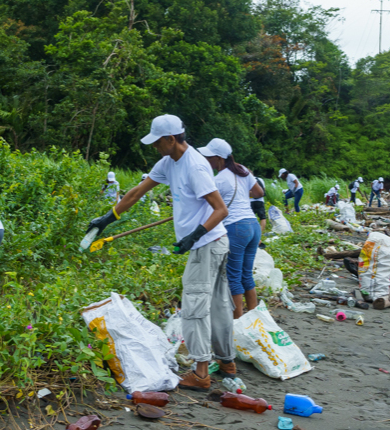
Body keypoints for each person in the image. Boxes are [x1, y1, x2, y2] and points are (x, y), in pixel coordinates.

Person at [87, 115, 234, 391]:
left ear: (171, 139)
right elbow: (137, 191)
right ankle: (227, 362)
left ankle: (202, 373)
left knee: (194, 306)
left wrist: (195, 235)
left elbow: (220, 209)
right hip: (212, 243)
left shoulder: (195, 166)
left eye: (157, 142)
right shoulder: (168, 162)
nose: (154, 147)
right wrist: (108, 217)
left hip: (208, 244)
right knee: (218, 304)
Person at [199, 139, 263, 319]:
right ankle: (255, 319)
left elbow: (208, 206)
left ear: (219, 158)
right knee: (246, 274)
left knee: (233, 277)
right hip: (253, 225)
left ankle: (239, 322)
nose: (207, 160)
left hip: (237, 227)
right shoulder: (243, 170)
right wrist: (243, 194)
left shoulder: (218, 180)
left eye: (209, 157)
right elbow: (259, 193)